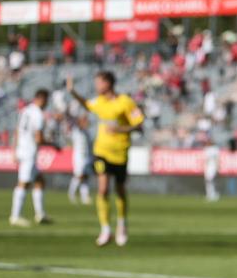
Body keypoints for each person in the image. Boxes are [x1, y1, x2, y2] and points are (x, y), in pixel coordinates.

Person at [67, 72, 144, 247]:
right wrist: (73, 92)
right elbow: (86, 104)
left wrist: (120, 130)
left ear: (108, 83)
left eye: (98, 82)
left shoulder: (125, 102)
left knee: (120, 189)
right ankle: (105, 229)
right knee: (102, 189)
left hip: (121, 152)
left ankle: (122, 224)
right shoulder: (99, 102)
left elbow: (139, 125)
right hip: (101, 152)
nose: (96, 86)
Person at [10, 89, 58, 227]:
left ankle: (40, 214)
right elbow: (38, 139)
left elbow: (17, 131)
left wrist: (14, 150)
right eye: (46, 100)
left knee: (39, 181)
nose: (47, 104)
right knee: (24, 183)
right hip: (29, 152)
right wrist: (53, 144)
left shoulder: (25, 111)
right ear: (42, 99)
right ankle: (15, 216)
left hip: (22, 149)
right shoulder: (38, 114)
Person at [67, 114, 93, 205]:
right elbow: (72, 124)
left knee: (85, 176)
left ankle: (85, 196)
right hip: (79, 157)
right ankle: (71, 193)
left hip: (87, 156)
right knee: (79, 175)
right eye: (85, 120)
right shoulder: (77, 131)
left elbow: (90, 145)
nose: (87, 122)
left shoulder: (87, 132)